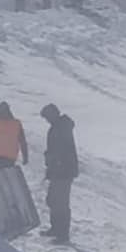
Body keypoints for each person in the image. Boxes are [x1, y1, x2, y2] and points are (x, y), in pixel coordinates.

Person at [39, 103, 78, 244]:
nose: (47, 120)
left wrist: (54, 160)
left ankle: (63, 234)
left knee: (61, 203)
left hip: (64, 171)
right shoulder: (56, 127)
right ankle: (55, 228)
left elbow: (61, 150)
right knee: (53, 200)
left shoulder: (62, 127)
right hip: (57, 170)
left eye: (47, 117)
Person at [0, 102, 29, 169]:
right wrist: (25, 157)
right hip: (11, 155)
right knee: (8, 171)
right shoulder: (16, 123)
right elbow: (23, 141)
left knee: (0, 172)